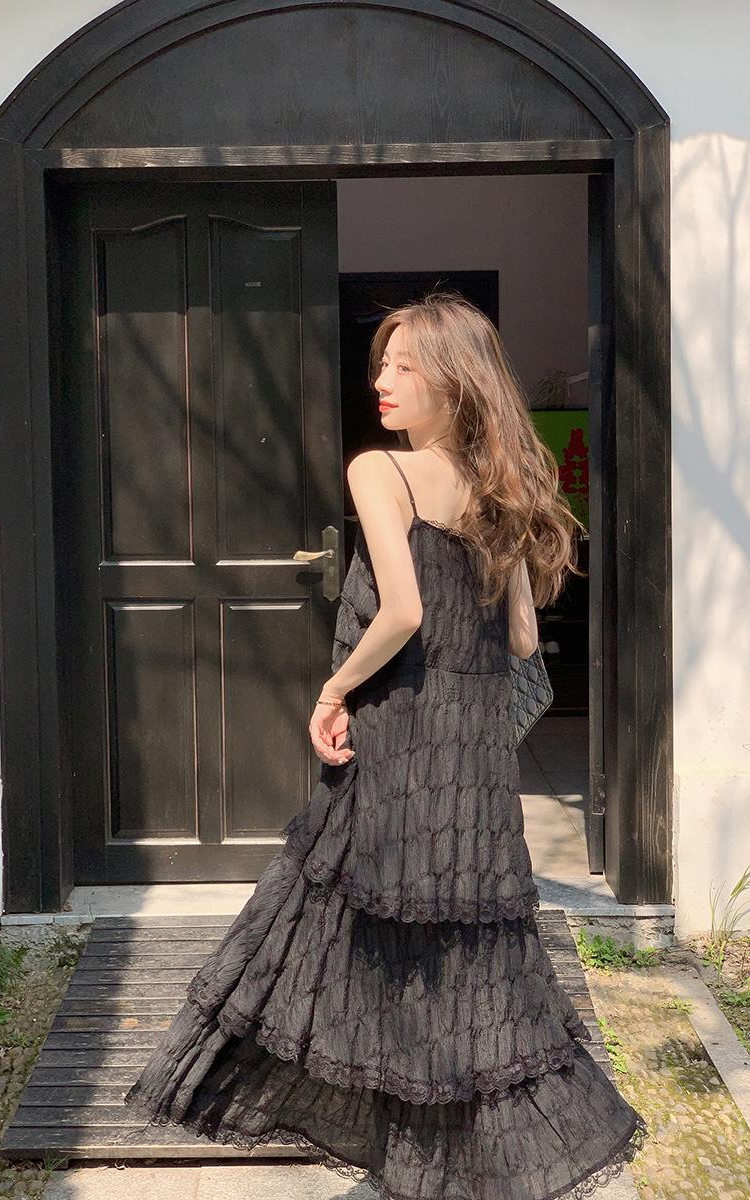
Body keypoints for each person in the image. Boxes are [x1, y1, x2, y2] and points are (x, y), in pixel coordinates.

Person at [123, 291, 649, 1198]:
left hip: (402, 733)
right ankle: (446, 1158)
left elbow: (402, 611)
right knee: (467, 943)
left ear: (455, 380)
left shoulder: (382, 470)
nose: (383, 380)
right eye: (383, 363)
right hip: (472, 755)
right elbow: (523, 638)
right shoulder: (499, 484)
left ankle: (396, 1148)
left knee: (338, 914)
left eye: (406, 365)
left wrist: (333, 688)